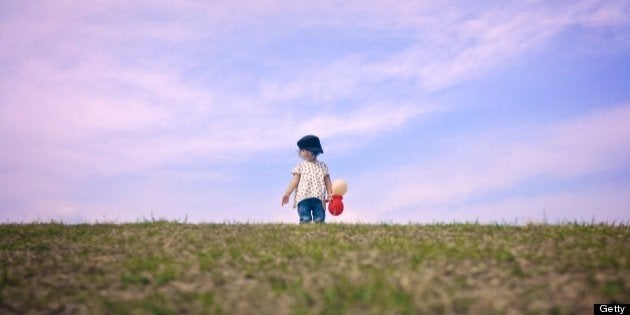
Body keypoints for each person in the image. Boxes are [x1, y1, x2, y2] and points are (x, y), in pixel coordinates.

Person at [281, 135, 333, 223]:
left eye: (308, 150)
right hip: (303, 196)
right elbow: (294, 181)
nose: (305, 152)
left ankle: (320, 232)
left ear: (316, 151)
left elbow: (327, 181)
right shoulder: (300, 166)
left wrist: (330, 194)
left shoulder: (322, 166)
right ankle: (305, 233)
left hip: (318, 197)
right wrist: (287, 194)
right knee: (305, 217)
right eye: (303, 150)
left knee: (320, 217)